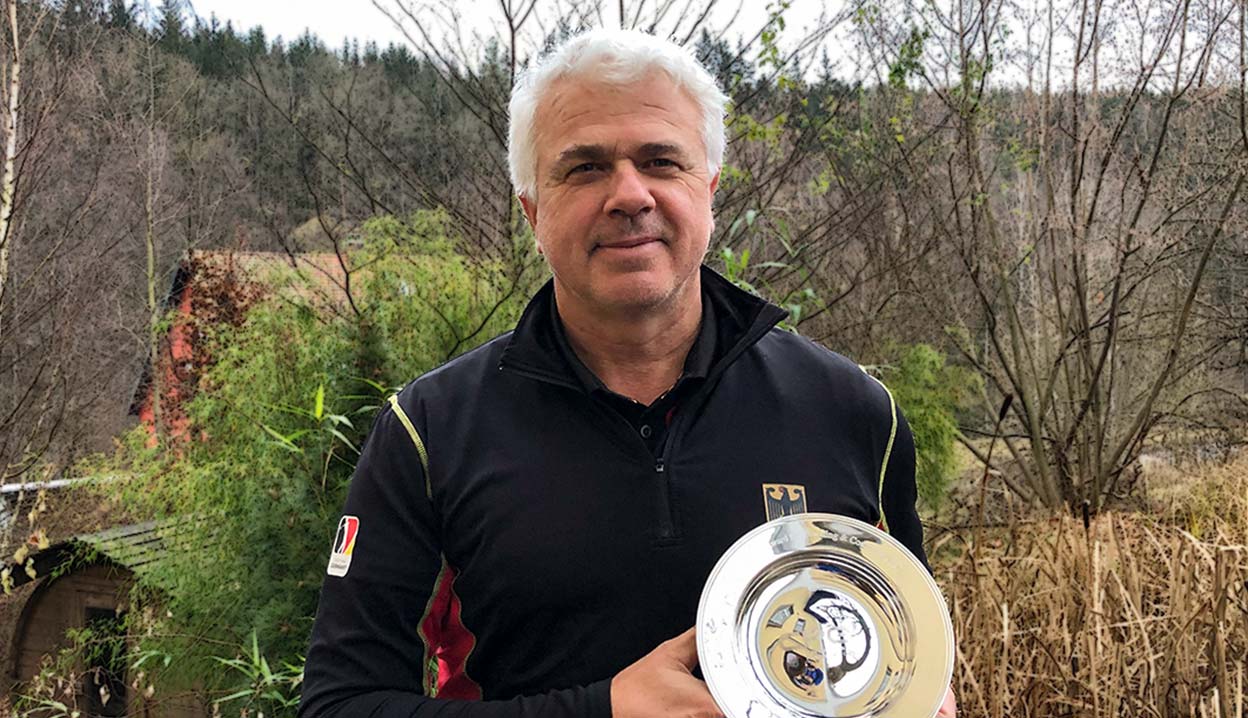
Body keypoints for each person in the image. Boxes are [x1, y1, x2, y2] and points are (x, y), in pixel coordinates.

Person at [298, 28, 957, 718]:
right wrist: (600, 710)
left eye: (661, 161)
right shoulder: (429, 432)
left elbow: (904, 663)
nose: (629, 194)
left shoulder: (852, 413)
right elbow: (340, 705)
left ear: (709, 189)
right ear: (532, 210)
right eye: (585, 168)